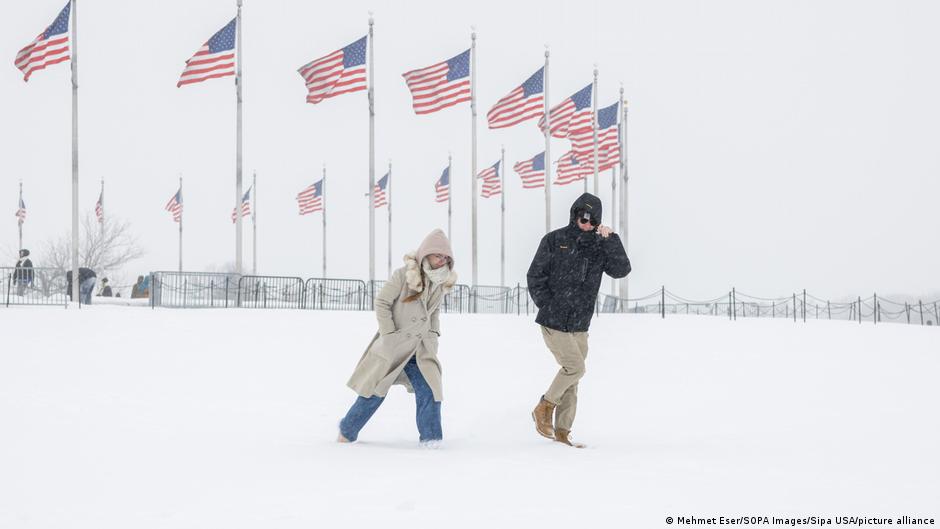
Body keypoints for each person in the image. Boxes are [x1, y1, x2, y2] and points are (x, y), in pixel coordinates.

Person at [527, 192, 631, 448]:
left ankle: (562, 432)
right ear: (574, 215)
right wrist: (549, 305)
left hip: (580, 324)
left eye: (591, 220)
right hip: (554, 320)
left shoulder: (600, 245)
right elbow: (535, 276)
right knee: (575, 368)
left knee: (572, 378)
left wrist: (612, 241)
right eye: (582, 217)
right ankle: (544, 407)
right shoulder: (555, 240)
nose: (586, 223)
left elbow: (621, 270)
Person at [339, 229, 458, 448]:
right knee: (375, 391)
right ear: (425, 255)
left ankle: (431, 440)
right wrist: (389, 334)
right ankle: (346, 431)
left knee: (430, 390)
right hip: (394, 347)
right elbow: (382, 303)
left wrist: (434, 335)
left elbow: (434, 314)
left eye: (445, 257)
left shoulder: (441, 283)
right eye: (437, 255)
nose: (442, 261)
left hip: (420, 350)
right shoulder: (403, 275)